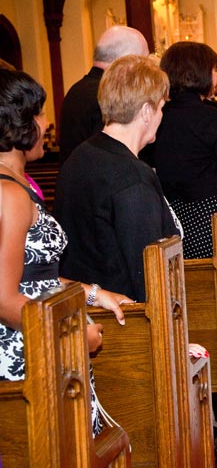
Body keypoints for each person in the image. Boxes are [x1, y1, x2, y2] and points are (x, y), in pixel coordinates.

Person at [0, 69, 131, 436]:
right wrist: (70, 334)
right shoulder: (8, 196)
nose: (46, 123)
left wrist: (92, 293)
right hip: (29, 349)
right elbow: (4, 297)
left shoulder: (17, 186)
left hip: (39, 334)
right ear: (17, 123)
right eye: (39, 114)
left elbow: (32, 274)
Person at [55, 55, 181, 303]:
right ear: (146, 111)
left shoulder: (80, 155)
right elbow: (148, 272)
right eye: (161, 108)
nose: (161, 116)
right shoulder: (132, 176)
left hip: (84, 310)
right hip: (125, 319)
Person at [151, 42, 217, 298]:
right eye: (214, 69)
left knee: (189, 299)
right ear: (201, 73)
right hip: (210, 220)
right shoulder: (213, 118)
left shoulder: (156, 116)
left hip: (170, 221)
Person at [59, 25, 149, 163]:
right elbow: (112, 156)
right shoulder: (110, 95)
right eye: (144, 62)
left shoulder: (77, 89)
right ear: (128, 62)